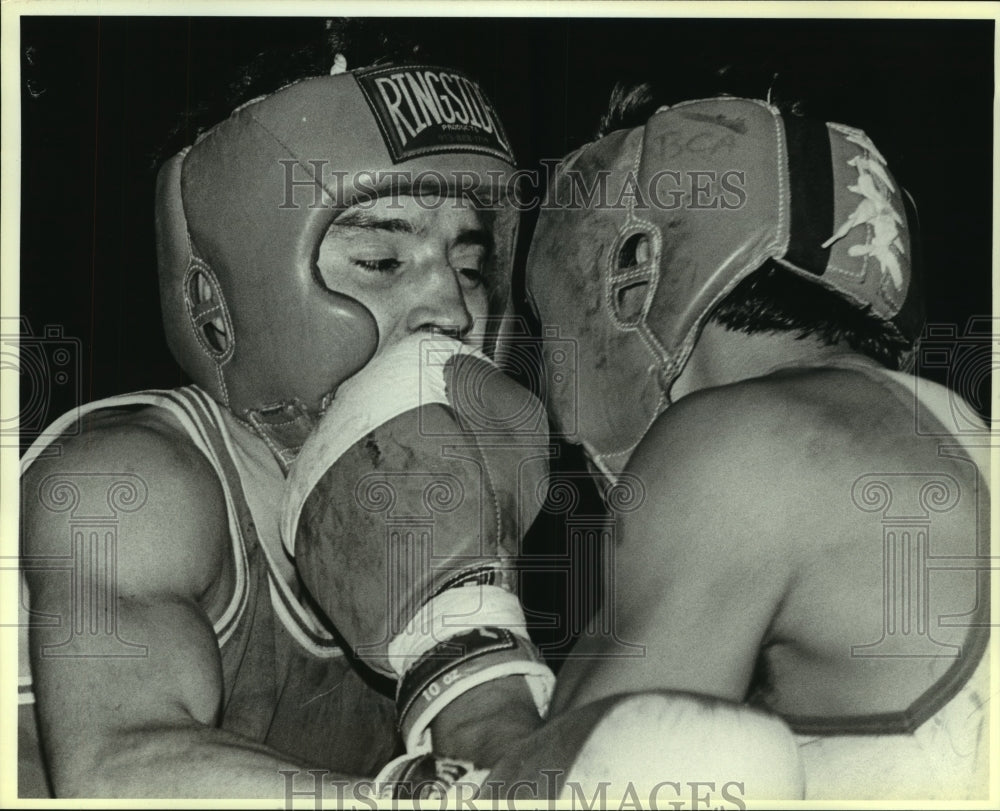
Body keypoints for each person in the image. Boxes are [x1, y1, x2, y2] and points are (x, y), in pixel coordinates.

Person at [17, 42, 551, 797]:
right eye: (379, 260)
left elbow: (500, 760)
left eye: (468, 267)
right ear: (218, 305)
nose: (454, 311)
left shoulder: (425, 506)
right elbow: (116, 770)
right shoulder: (128, 480)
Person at [489, 91, 991, 801]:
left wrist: (457, 639)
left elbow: (562, 792)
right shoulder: (953, 430)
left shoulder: (744, 446)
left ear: (630, 273)